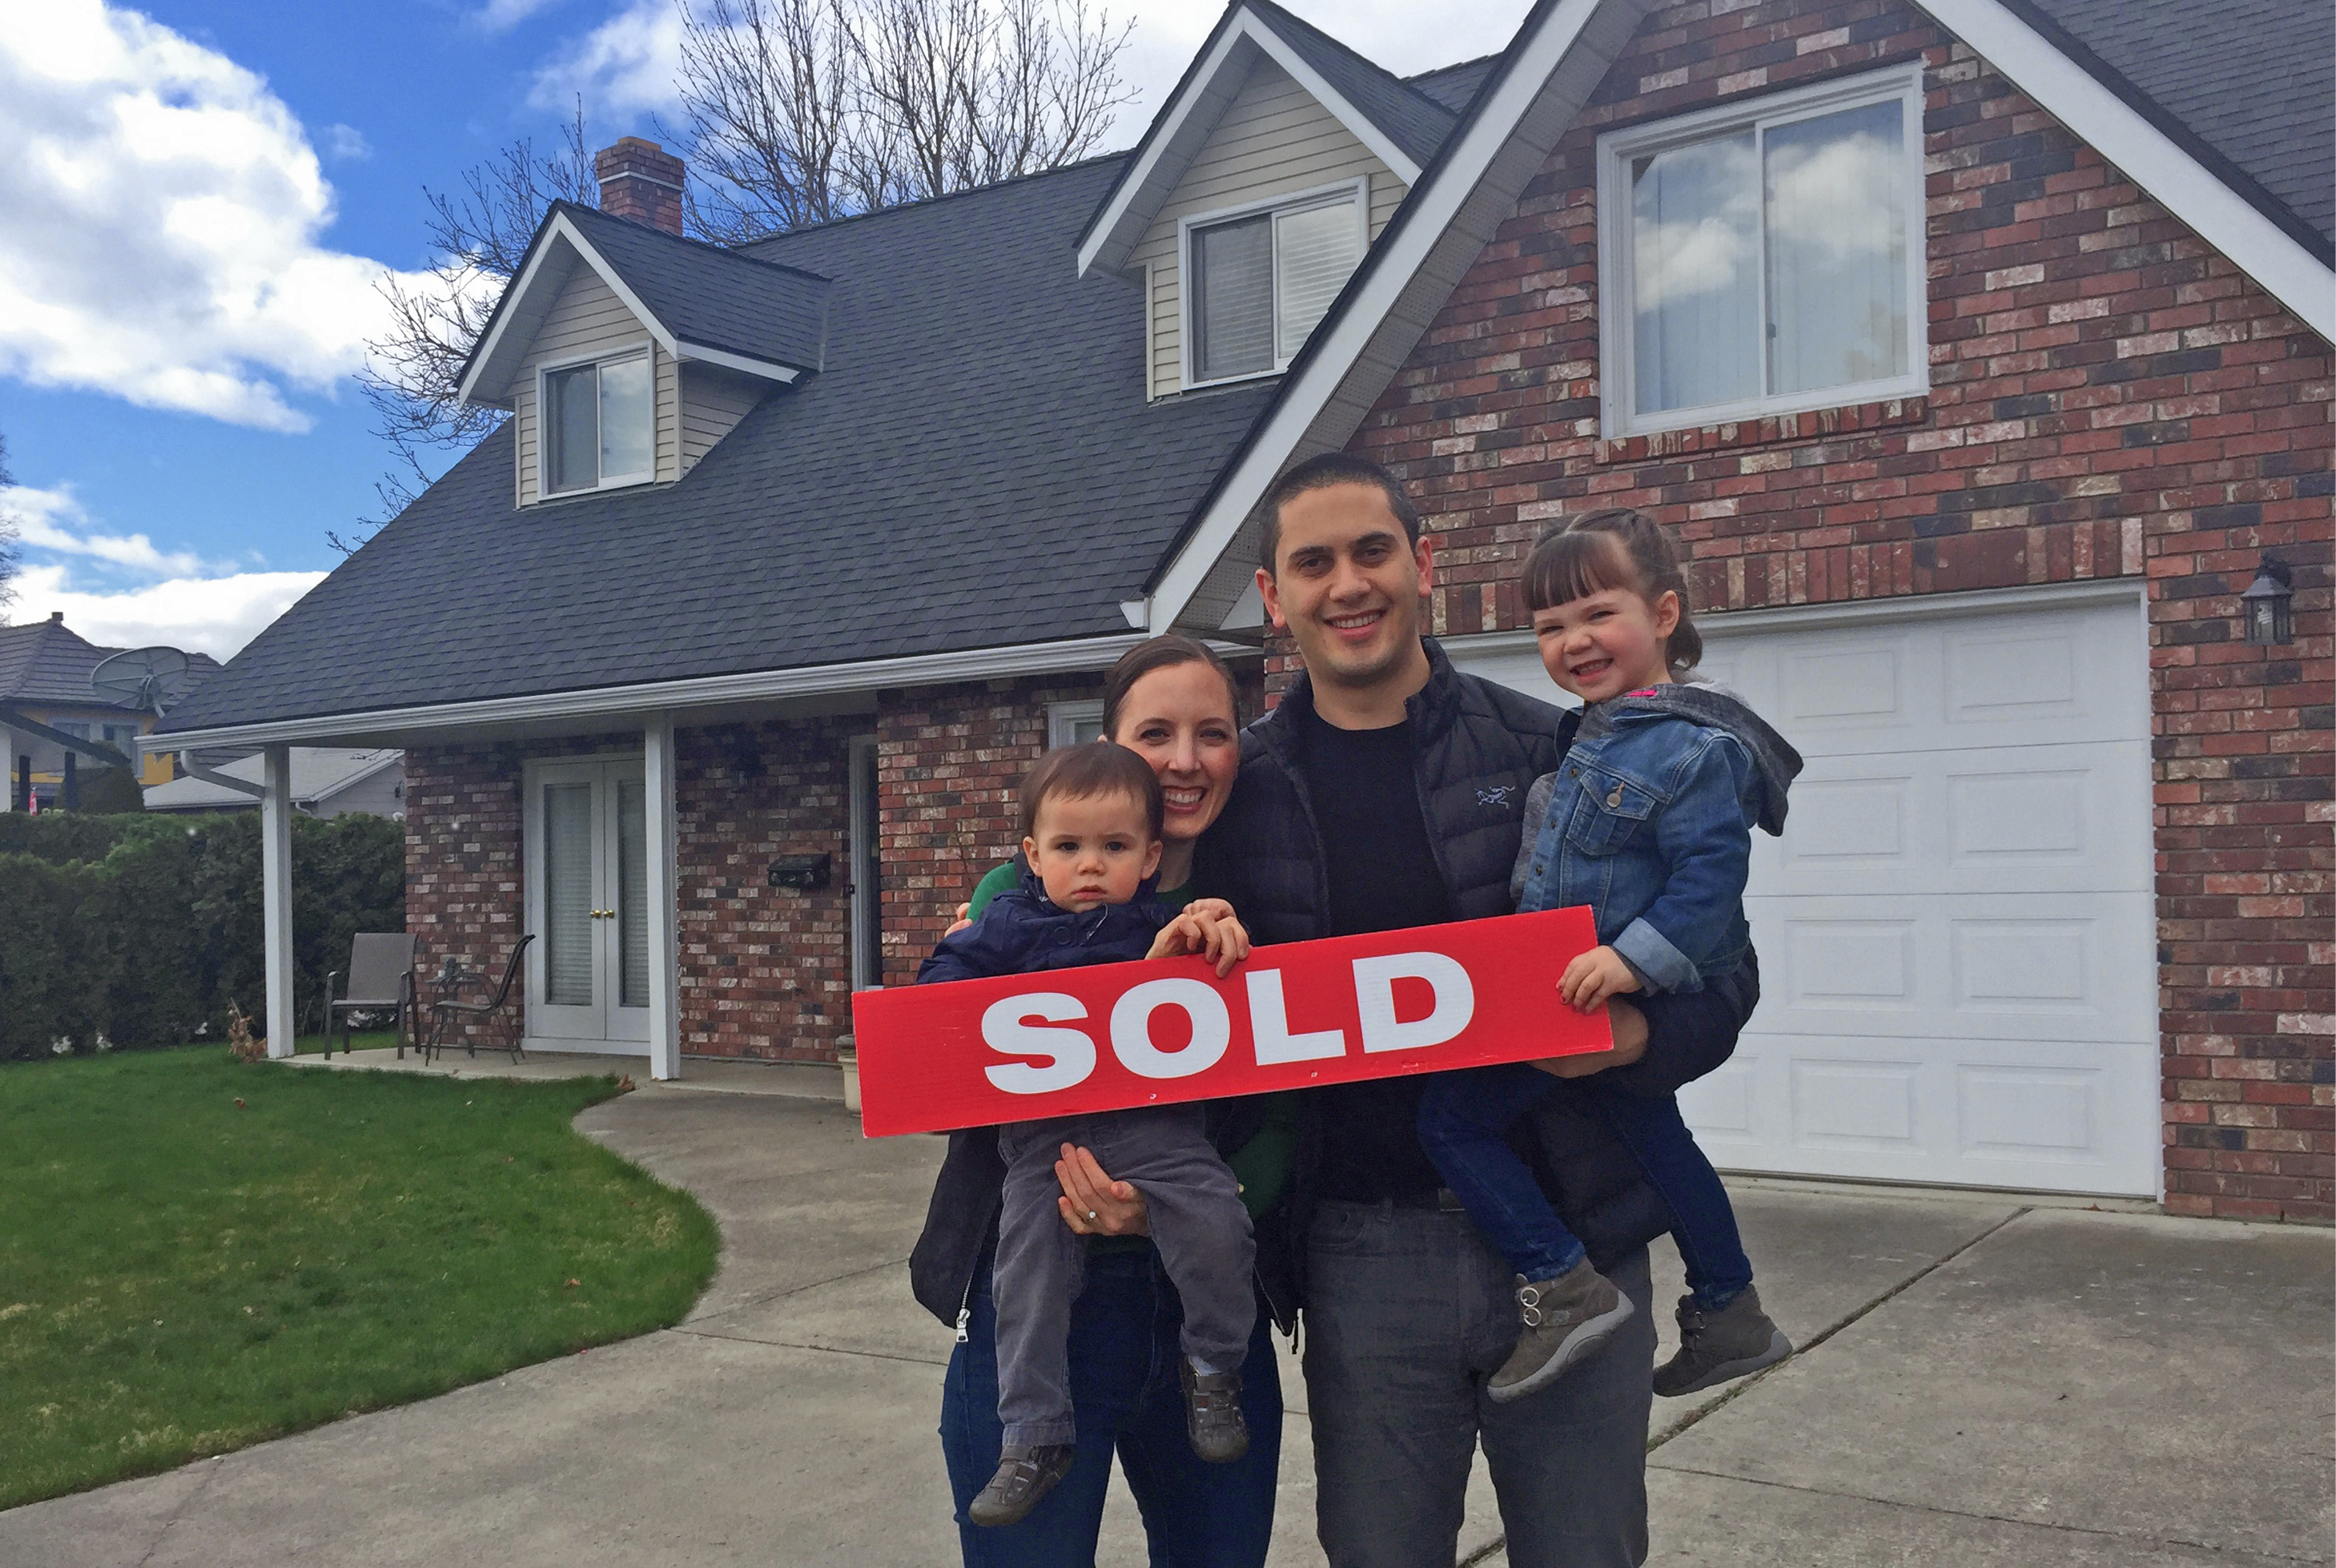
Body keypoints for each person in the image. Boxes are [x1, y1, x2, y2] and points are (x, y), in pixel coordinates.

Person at [1193, 452, 1759, 1568]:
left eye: (1372, 551)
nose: (1347, 583)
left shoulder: (1560, 749)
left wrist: (1637, 1038)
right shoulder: (1234, 789)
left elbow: (1726, 974)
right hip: (1360, 1250)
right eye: (1313, 563)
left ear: (1423, 564)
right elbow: (1093, 911)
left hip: (1578, 1242)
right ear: (1273, 595)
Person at [910, 634, 1292, 1567]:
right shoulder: (1014, 904)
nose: (1184, 758)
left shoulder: (1253, 904)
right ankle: (1031, 1434)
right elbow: (937, 1078)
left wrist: (1161, 1201)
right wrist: (943, 998)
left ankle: (1213, 1371)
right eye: (1154, 732)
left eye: (1213, 731)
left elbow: (1287, 1112)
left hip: (1190, 1268)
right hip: (1042, 1264)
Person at [1413, 509, 1800, 1404]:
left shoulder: (1693, 746)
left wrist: (1632, 963)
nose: (1572, 640)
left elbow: (1710, 879)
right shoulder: (1590, 734)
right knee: (1652, 1132)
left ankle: (1558, 1276)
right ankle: (1729, 1304)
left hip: (1599, 991)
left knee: (1452, 1122)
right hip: (1568, 989)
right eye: (1549, 626)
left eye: (1595, 614)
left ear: (1662, 614)